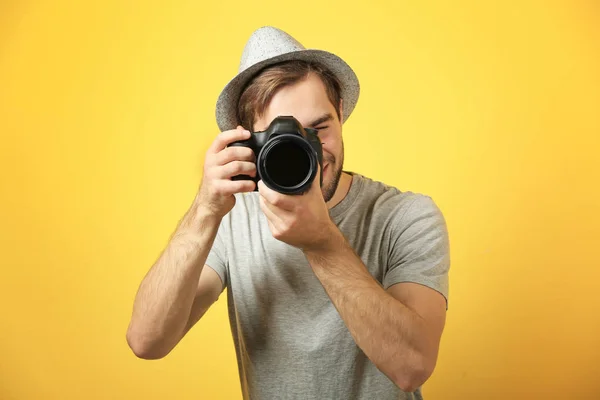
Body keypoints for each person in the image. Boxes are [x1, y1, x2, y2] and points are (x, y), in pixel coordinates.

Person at [126, 26, 450, 400]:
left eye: (319, 129)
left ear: (340, 113)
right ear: (249, 140)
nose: (310, 153)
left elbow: (412, 366)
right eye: (287, 139)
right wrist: (204, 210)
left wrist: (322, 243)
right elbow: (146, 340)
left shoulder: (406, 217)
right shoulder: (234, 218)